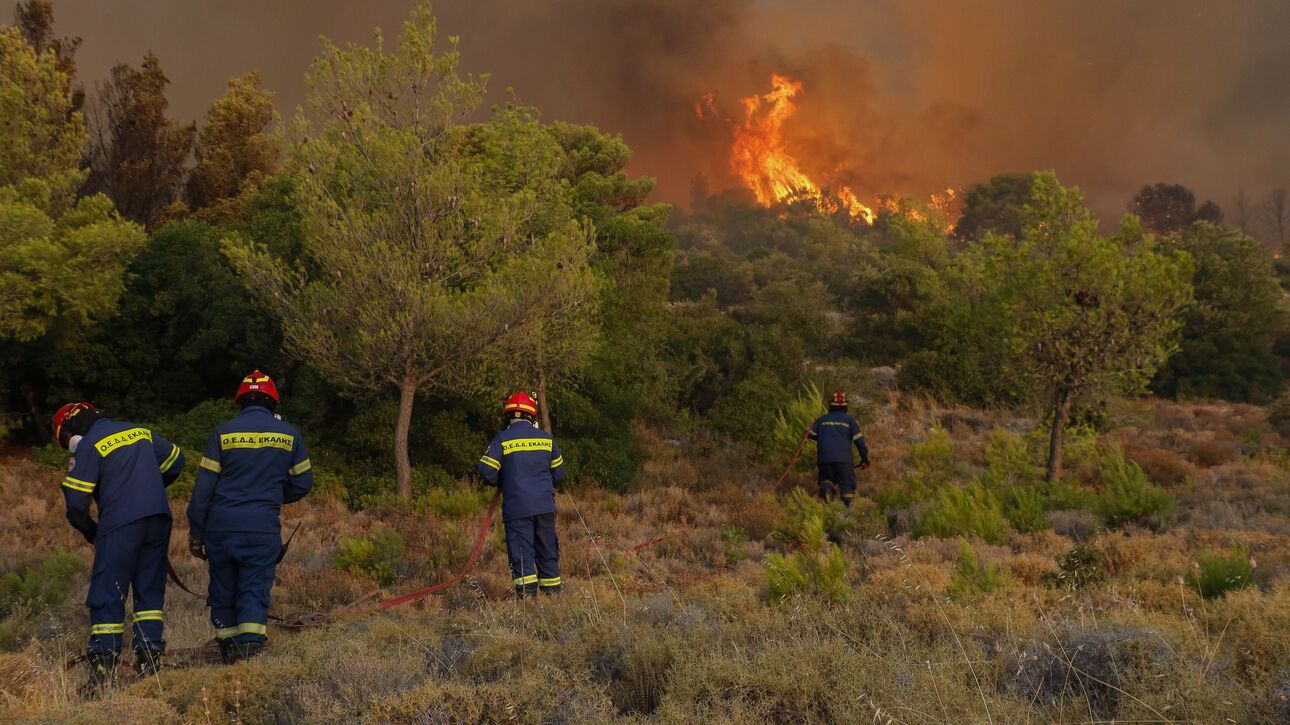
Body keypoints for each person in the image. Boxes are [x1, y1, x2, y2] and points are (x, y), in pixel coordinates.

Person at [53, 402, 185, 692]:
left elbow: (75, 503)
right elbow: (176, 460)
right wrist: (148, 486)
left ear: (71, 431)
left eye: (65, 441)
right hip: (159, 518)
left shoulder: (89, 445)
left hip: (120, 523)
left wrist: (91, 532)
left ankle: (102, 674)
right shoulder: (139, 432)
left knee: (107, 593)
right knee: (149, 592)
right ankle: (149, 666)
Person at [187, 371, 313, 663]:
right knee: (253, 591)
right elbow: (303, 482)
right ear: (273, 403)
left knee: (222, 593)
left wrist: (196, 533)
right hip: (261, 528)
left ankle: (229, 660)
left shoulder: (222, 433)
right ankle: (249, 662)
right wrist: (270, 496)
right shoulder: (290, 435)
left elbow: (202, 492)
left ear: (241, 401)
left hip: (220, 528)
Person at [476, 392, 566, 598]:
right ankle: (555, 602)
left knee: (522, 557)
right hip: (544, 507)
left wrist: (504, 481)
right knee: (548, 553)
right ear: (532, 416)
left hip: (517, 509)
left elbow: (486, 470)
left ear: (509, 416)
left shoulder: (502, 439)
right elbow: (559, 474)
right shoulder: (546, 439)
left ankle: (528, 607)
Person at [807, 390, 870, 507]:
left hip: (824, 459)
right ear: (845, 406)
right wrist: (865, 459)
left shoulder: (822, 420)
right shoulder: (850, 421)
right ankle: (847, 513)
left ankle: (827, 500)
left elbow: (810, 435)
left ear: (831, 405)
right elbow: (860, 442)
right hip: (844, 460)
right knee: (847, 486)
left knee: (826, 480)